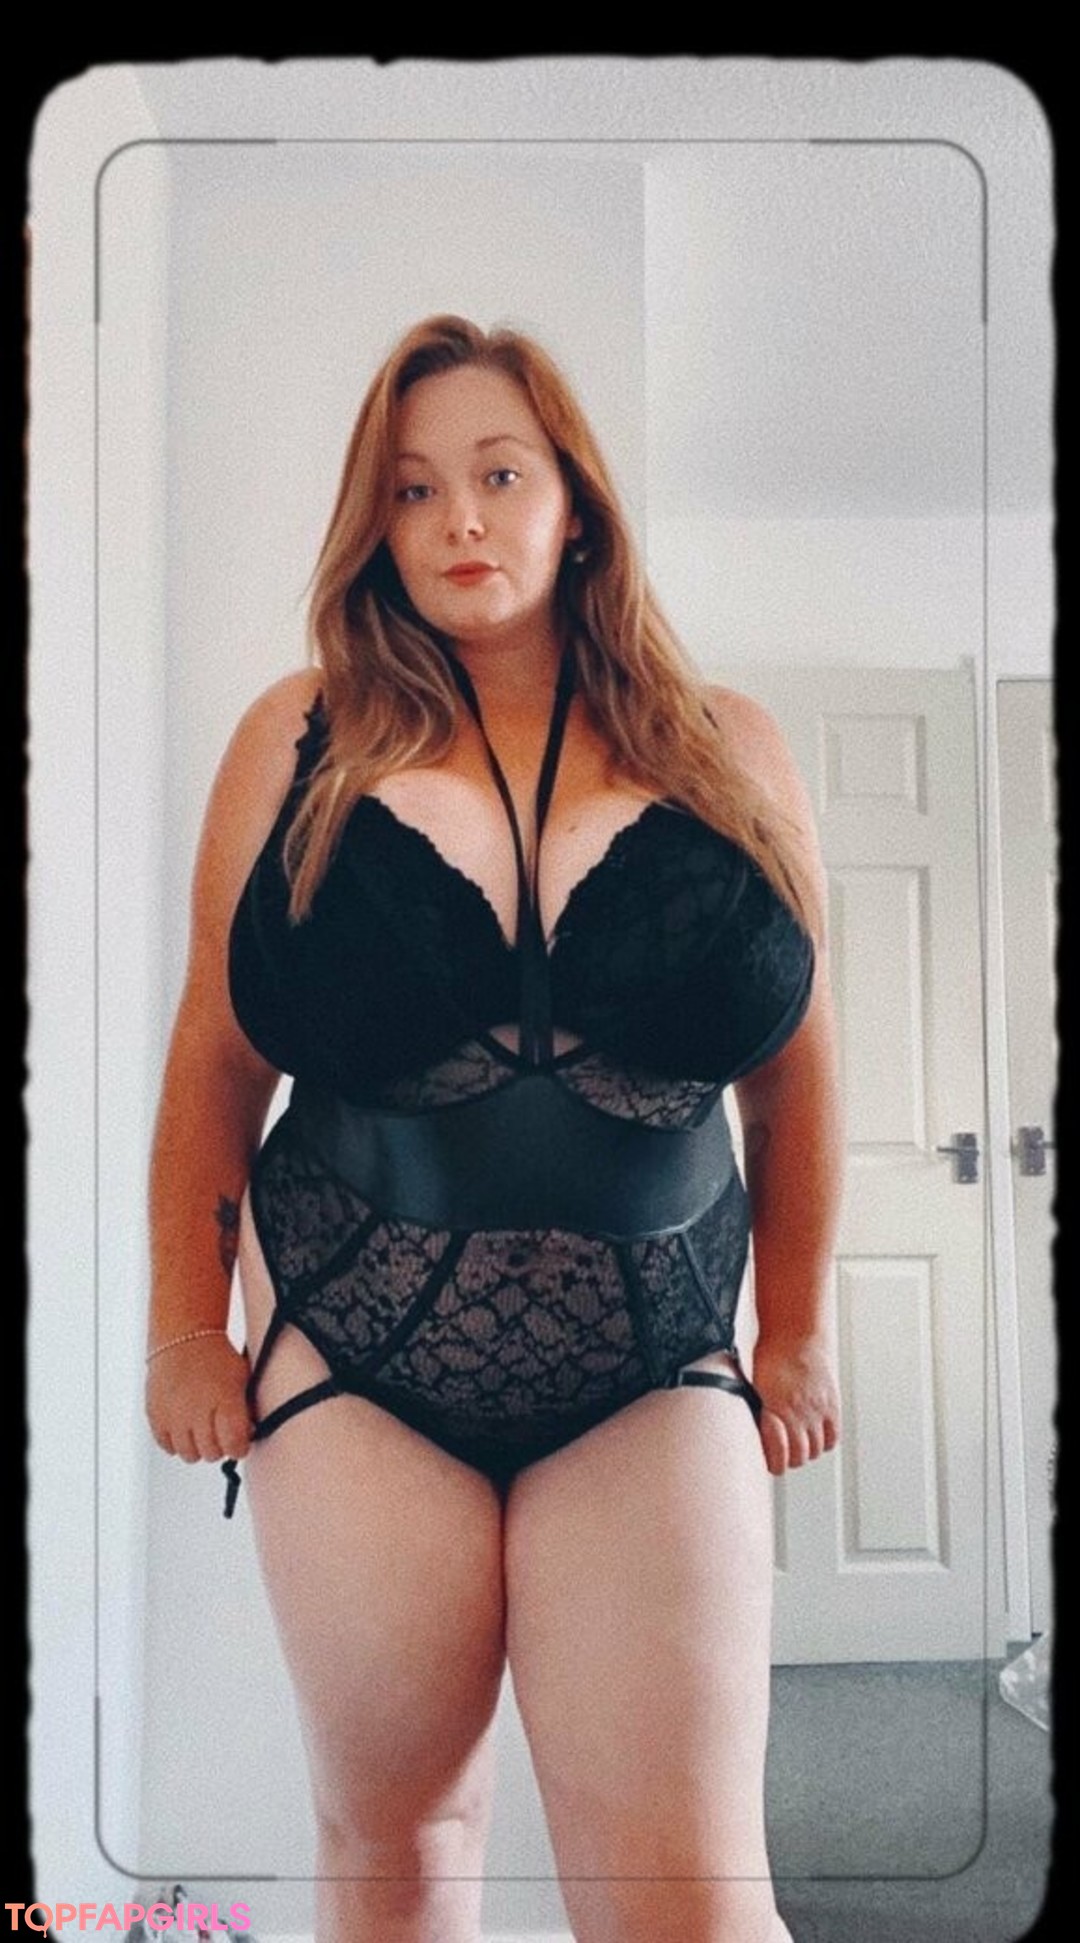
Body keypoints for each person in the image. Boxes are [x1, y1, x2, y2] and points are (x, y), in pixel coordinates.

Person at [146, 314, 843, 1943]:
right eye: (412, 489)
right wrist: (185, 1327)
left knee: (689, 1893)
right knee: (398, 1847)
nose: (459, 518)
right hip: (353, 1352)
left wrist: (800, 1329)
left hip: (656, 1356)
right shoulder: (298, 739)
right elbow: (216, 1063)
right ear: (375, 525)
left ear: (574, 502)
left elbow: (800, 1074)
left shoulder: (730, 746)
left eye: (500, 474)